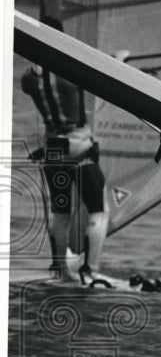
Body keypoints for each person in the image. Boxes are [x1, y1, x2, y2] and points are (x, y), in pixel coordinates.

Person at [21, 16, 110, 287]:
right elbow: (103, 74)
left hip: (53, 149)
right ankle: (90, 271)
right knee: (98, 210)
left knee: (61, 211)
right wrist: (121, 60)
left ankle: (60, 269)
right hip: (79, 146)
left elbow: (33, 83)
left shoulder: (29, 78)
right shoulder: (72, 67)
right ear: (60, 37)